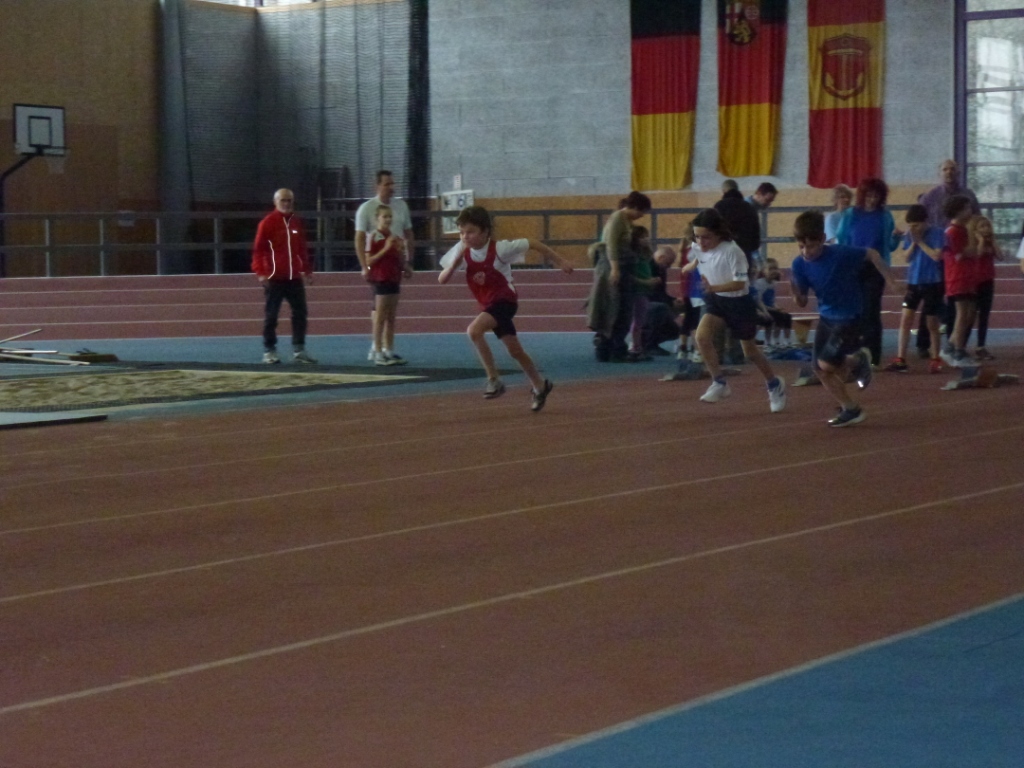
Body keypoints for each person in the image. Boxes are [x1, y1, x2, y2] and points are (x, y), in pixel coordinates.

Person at [438, 205, 573, 412]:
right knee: (515, 351)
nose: (465, 237)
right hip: (488, 304)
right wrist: (454, 263)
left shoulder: (501, 249)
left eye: (470, 232)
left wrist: (560, 261)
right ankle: (540, 385)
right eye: (461, 232)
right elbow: (442, 280)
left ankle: (494, 379)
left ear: (485, 231)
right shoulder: (461, 250)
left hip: (505, 300)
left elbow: (533, 243)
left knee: (474, 331)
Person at [790, 210, 895, 427]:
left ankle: (857, 362)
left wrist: (892, 281)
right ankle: (851, 408)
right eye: (801, 247)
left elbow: (872, 254)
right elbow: (802, 301)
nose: (806, 252)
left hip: (849, 317)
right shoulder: (799, 265)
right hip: (826, 318)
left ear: (822, 239)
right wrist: (796, 294)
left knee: (826, 363)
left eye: (811, 246)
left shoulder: (840, 254)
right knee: (820, 370)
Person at [679, 208, 787, 412]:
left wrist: (713, 287)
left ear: (718, 233)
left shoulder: (733, 252)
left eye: (706, 237)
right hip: (716, 301)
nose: (700, 242)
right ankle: (719, 383)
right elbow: (700, 255)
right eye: (697, 236)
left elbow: (739, 284)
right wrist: (692, 265)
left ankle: (774, 384)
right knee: (702, 337)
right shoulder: (698, 245)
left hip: (739, 303)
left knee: (750, 352)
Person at [915, 160, 980, 356]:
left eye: (952, 169)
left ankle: (956, 343)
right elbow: (918, 219)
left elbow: (978, 218)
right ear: (940, 173)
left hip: (959, 249)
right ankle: (923, 344)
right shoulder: (930, 196)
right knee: (932, 298)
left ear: (958, 172)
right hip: (937, 253)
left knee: (958, 301)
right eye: (945, 169)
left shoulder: (968, 195)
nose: (949, 172)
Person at [836, 177, 898, 367]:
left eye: (876, 196)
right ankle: (853, 352)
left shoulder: (885, 216)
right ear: (862, 196)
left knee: (871, 310)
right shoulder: (850, 214)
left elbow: (889, 245)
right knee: (853, 310)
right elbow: (841, 239)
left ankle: (873, 356)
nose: (872, 200)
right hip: (854, 266)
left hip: (876, 267)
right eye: (869, 196)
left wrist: (896, 239)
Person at [251, 188, 317, 365]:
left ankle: (299, 350)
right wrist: (261, 273)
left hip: (293, 277)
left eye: (289, 200)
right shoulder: (267, 223)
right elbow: (258, 251)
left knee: (300, 313)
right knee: (271, 316)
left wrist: (307, 270)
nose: (287, 204)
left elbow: (301, 249)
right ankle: (269, 350)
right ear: (275, 202)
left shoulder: (296, 222)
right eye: (283, 200)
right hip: (274, 278)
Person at [355, 170, 416, 360]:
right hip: (378, 270)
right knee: (378, 311)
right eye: (387, 184)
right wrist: (365, 266)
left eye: (392, 183)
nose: (391, 187)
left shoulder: (401, 206)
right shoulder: (366, 209)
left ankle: (388, 348)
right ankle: (376, 348)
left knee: (390, 313)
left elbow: (408, 235)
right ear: (377, 186)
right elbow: (359, 239)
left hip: (394, 268)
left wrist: (407, 262)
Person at [883, 204, 946, 374]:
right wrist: (913, 242)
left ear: (925, 222)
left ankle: (935, 358)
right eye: (911, 226)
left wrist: (920, 242)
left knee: (931, 322)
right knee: (905, 320)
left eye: (916, 225)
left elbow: (936, 256)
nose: (913, 229)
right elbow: (906, 257)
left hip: (932, 282)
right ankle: (901, 358)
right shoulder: (911, 235)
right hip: (914, 282)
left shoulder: (937, 233)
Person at [591, 191, 653, 362]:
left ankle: (608, 348)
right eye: (642, 211)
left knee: (619, 310)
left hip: (623, 266)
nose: (642, 216)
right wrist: (615, 269)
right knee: (619, 310)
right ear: (634, 207)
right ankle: (615, 349)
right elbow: (611, 244)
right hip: (617, 267)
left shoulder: (626, 221)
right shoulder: (618, 218)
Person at [365, 204, 413, 365]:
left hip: (394, 279)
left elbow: (399, 258)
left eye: (390, 216)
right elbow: (369, 260)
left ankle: (389, 350)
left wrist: (405, 266)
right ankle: (377, 352)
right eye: (384, 216)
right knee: (380, 318)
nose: (388, 219)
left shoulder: (395, 237)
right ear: (377, 218)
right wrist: (386, 248)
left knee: (391, 317)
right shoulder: (373, 236)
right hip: (381, 279)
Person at [940, 195, 979, 368]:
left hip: (967, 277)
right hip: (958, 277)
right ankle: (957, 351)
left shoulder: (961, 230)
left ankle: (950, 347)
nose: (971, 211)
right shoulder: (953, 232)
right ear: (958, 211)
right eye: (967, 208)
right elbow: (967, 252)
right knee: (962, 314)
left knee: (969, 314)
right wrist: (972, 233)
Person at [964, 214, 1002, 361]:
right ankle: (961, 345)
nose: (986, 229)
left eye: (987, 226)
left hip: (987, 281)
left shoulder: (990, 243)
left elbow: (1001, 256)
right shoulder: (971, 243)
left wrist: (993, 242)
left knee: (984, 315)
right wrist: (980, 241)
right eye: (982, 226)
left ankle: (980, 346)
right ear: (975, 229)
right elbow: (977, 255)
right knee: (970, 315)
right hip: (974, 282)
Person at [626, 225, 662, 361]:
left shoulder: (645, 254)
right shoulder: (633, 255)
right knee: (638, 321)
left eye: (646, 236)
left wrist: (651, 280)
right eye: (642, 237)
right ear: (634, 239)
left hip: (644, 290)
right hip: (637, 291)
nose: (646, 239)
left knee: (640, 320)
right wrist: (646, 282)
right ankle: (635, 347)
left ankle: (637, 346)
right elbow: (630, 276)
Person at [714, 181, 760, 266]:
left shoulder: (719, 206)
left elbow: (713, 229)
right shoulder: (748, 207)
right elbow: (755, 233)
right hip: (744, 252)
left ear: (723, 191)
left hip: (724, 252)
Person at [744, 182, 778, 268]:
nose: (769, 204)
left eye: (770, 201)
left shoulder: (748, 206)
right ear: (759, 194)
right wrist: (759, 262)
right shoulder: (748, 209)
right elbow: (748, 237)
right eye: (767, 200)